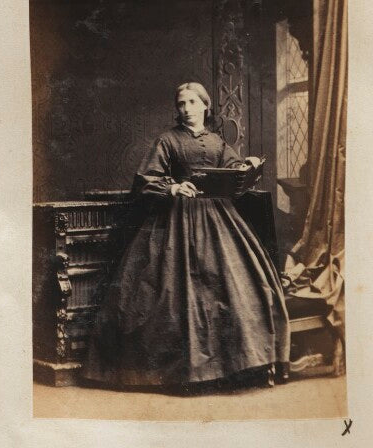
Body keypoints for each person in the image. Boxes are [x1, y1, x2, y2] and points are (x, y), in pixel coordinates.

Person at [81, 82, 290, 391]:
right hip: (175, 219)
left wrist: (248, 166)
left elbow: (234, 170)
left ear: (205, 106)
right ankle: (182, 373)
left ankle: (238, 367)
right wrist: (174, 187)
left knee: (239, 287)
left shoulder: (217, 142)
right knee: (169, 290)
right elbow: (145, 180)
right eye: (181, 103)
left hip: (218, 218)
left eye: (193, 102)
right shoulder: (167, 140)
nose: (187, 108)